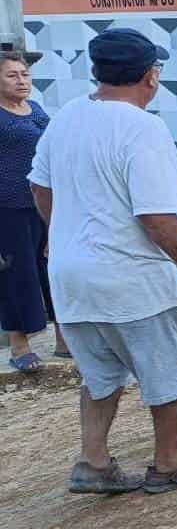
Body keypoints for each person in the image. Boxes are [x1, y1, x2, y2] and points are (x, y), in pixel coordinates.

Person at [27, 27, 177, 495]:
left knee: (101, 374)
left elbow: (39, 186)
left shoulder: (68, 116)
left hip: (72, 278)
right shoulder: (144, 128)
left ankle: (93, 463)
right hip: (133, 279)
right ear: (151, 76)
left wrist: (64, 235)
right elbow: (156, 216)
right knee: (173, 372)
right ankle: (169, 465)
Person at [1, 51, 69, 373]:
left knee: (51, 267)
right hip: (8, 208)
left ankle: (64, 339)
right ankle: (19, 344)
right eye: (12, 75)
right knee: (17, 273)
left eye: (24, 74)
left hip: (43, 203)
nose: (22, 81)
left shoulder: (36, 109)